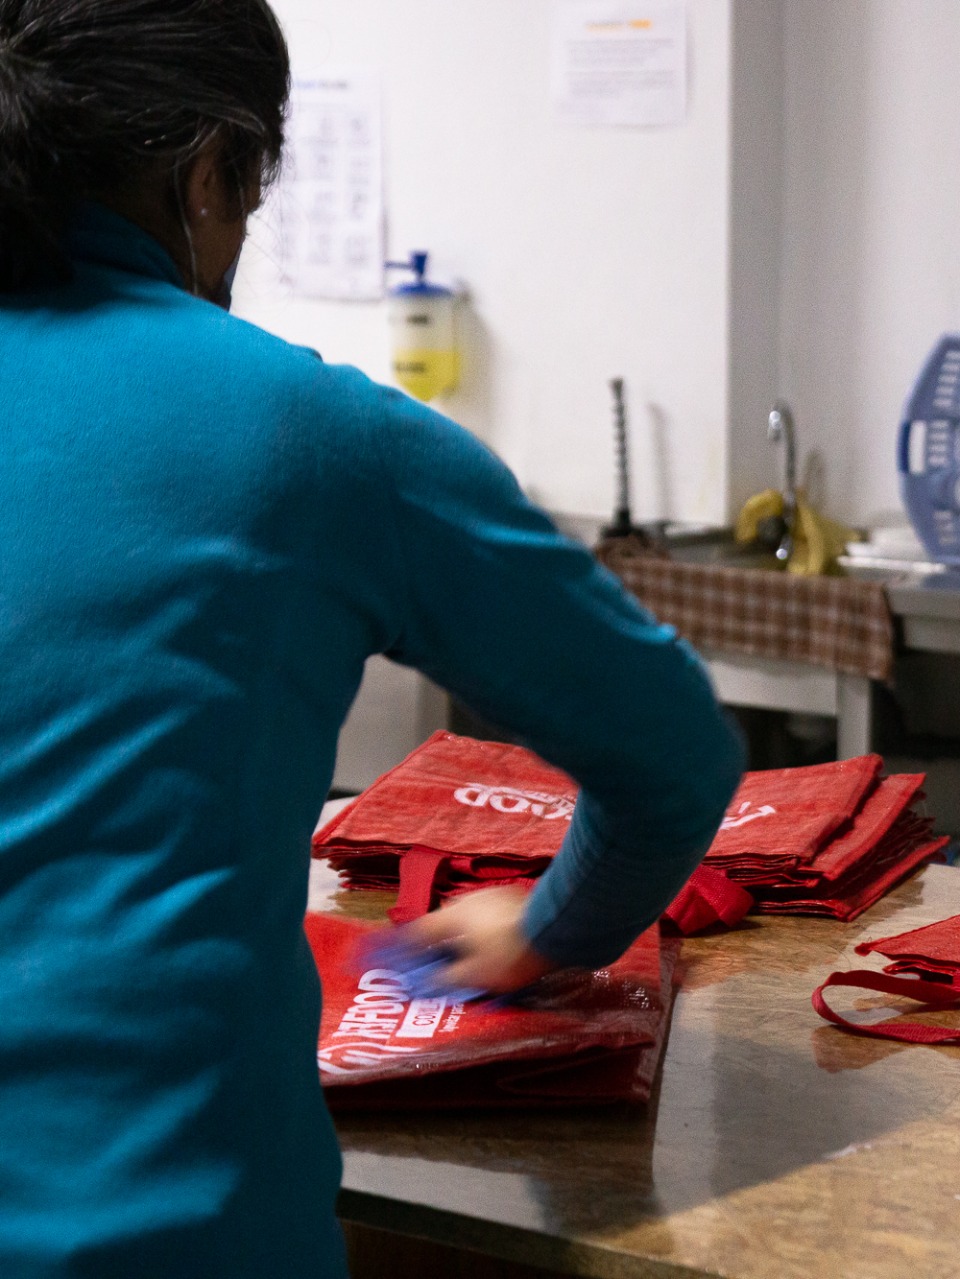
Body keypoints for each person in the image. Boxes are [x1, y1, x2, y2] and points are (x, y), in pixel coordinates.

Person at [0, 2, 742, 1275]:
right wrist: (552, 926)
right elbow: (674, 753)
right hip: (167, 1235)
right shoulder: (305, 434)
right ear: (204, 170)